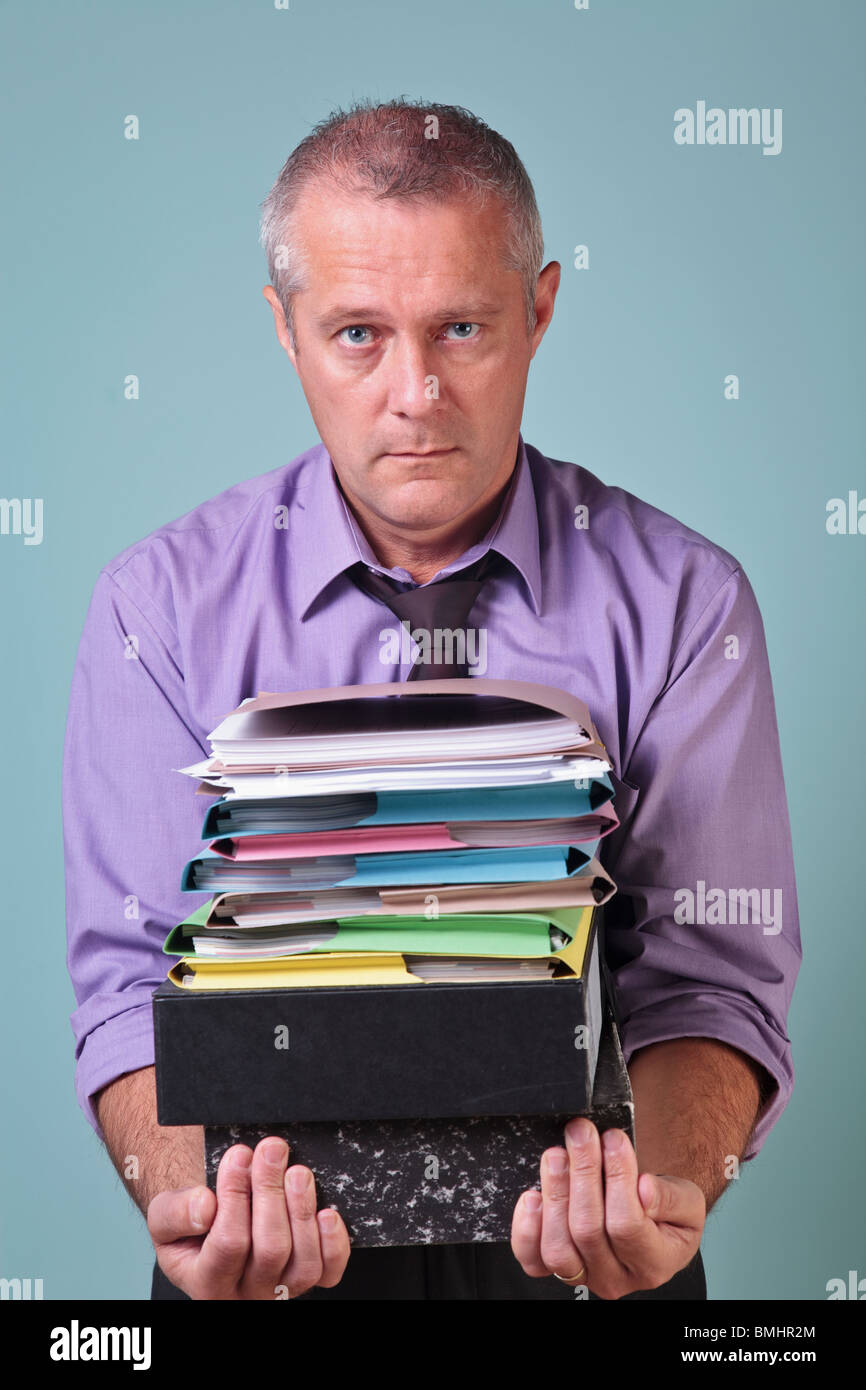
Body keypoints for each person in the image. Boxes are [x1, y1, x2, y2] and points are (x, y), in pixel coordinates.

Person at [62, 98, 801, 1302]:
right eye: (356, 334)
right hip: (259, 1256)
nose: (413, 393)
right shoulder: (157, 608)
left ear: (539, 311)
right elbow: (130, 982)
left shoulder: (683, 601)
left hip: (593, 1256)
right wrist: (188, 1202)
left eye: (460, 326)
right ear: (283, 331)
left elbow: (706, 975)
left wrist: (659, 1191)